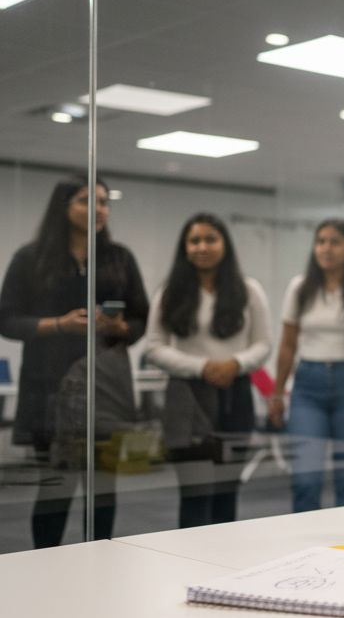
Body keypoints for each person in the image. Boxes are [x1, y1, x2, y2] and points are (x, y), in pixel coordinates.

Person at [0, 174, 149, 547]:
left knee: (103, 491)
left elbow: (141, 319)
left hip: (106, 386)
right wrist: (58, 325)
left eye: (103, 201)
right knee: (55, 489)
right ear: (63, 207)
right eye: (87, 200)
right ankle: (44, 568)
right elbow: (7, 320)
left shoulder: (119, 258)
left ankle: (99, 569)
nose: (99, 209)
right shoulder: (31, 257)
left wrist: (119, 326)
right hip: (50, 385)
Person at [142, 213, 272, 527]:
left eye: (211, 239)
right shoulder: (170, 291)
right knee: (194, 493)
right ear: (185, 247)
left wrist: (235, 364)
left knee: (227, 489)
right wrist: (202, 367)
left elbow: (263, 344)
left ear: (224, 244)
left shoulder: (248, 290)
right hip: (186, 399)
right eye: (194, 240)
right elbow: (153, 346)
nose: (203, 246)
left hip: (235, 394)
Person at [269, 219, 344, 512]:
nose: (326, 248)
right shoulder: (300, 288)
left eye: (335, 242)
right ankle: (304, 547)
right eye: (321, 241)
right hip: (308, 382)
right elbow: (287, 344)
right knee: (305, 475)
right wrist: (277, 393)